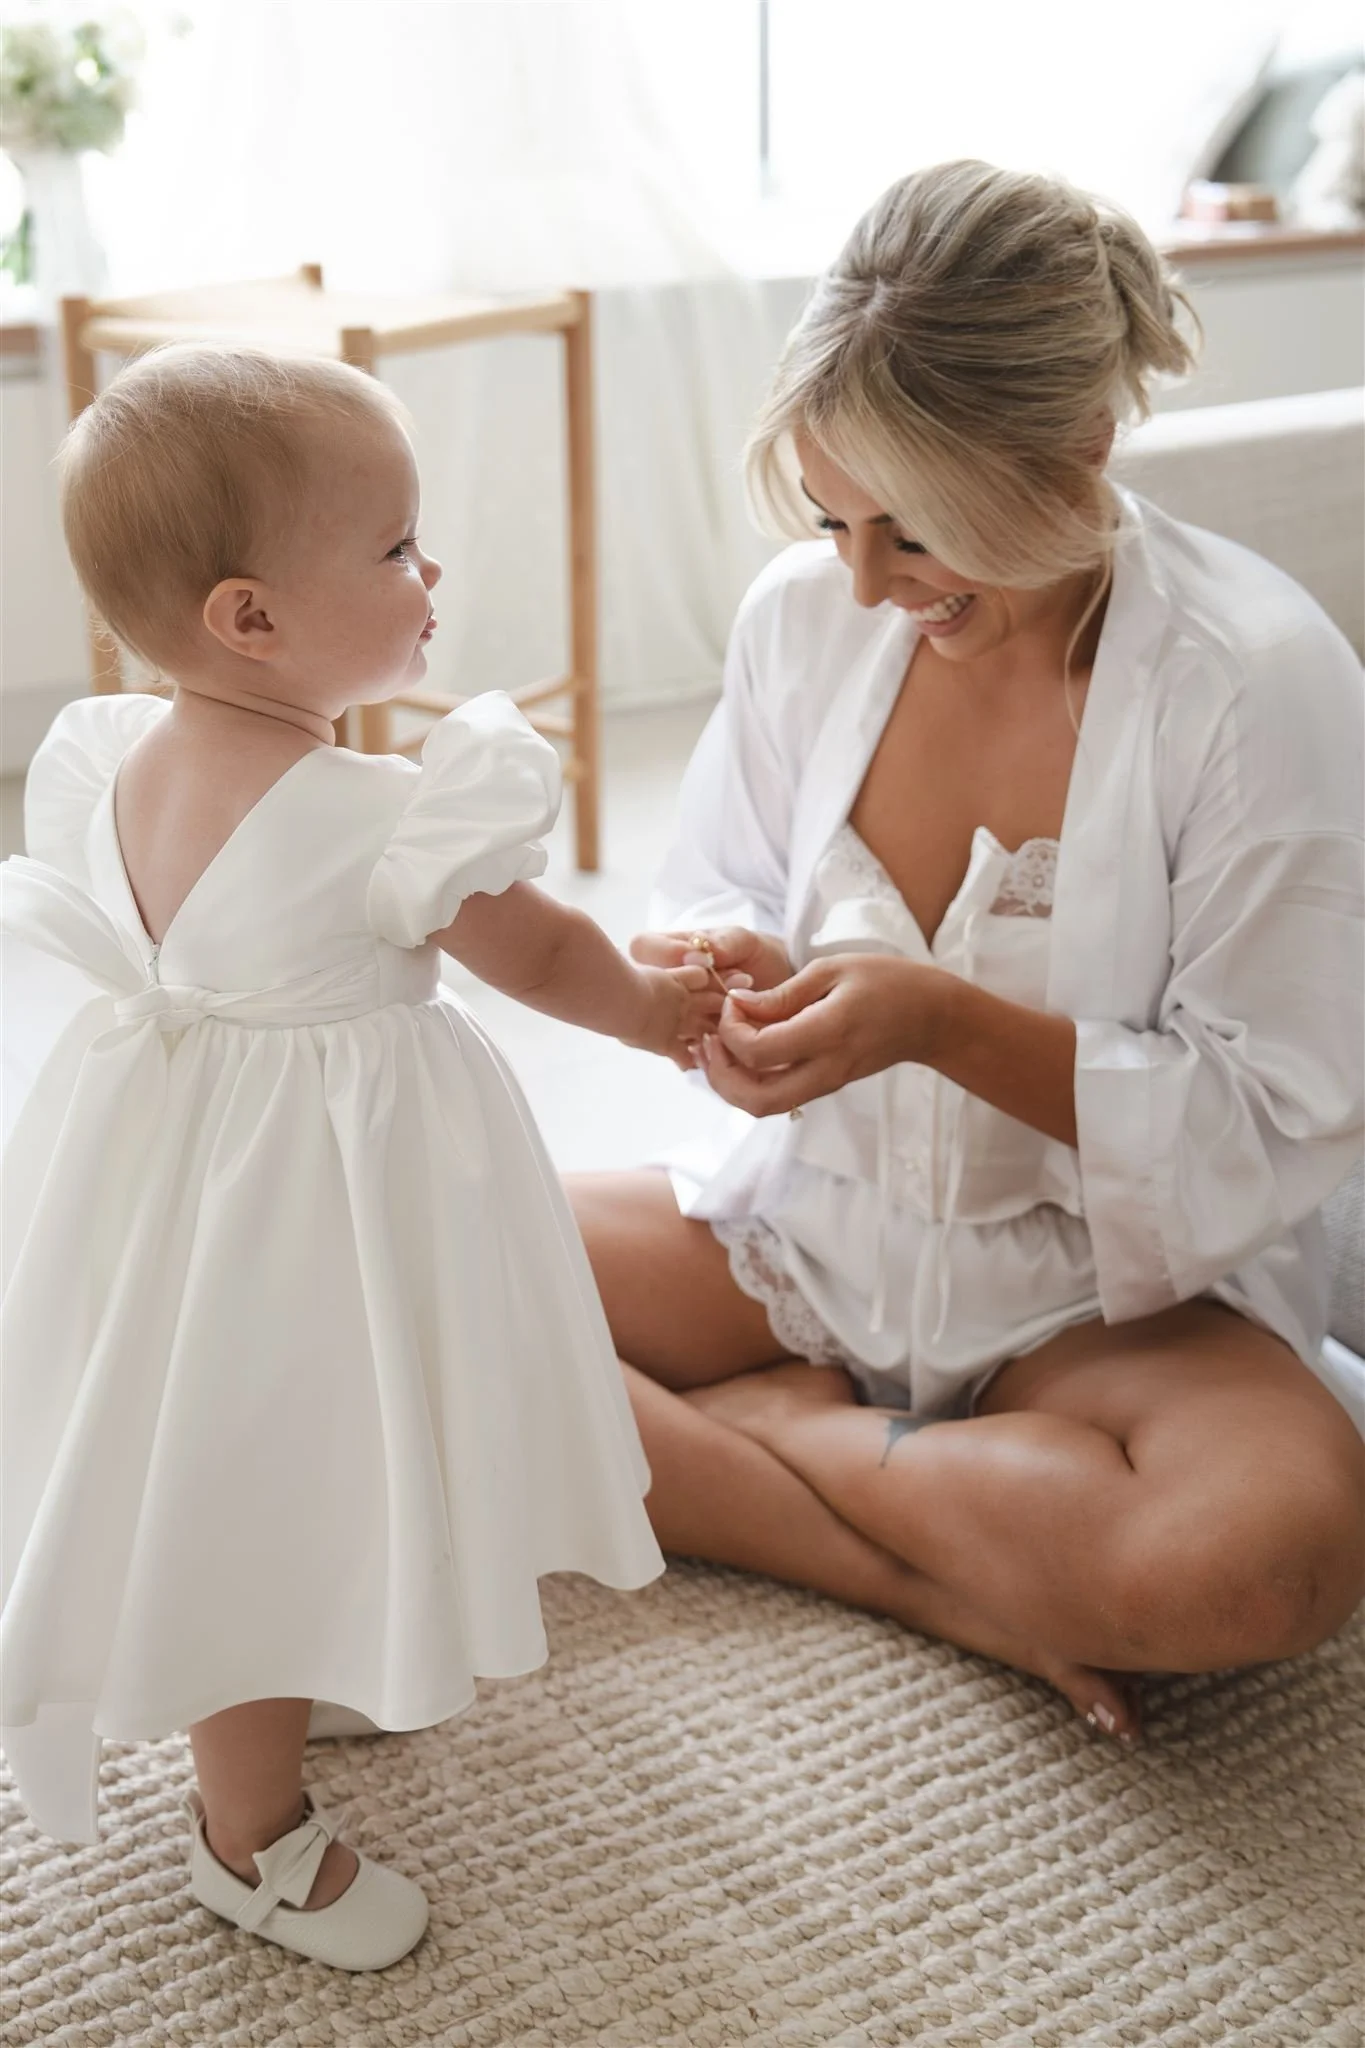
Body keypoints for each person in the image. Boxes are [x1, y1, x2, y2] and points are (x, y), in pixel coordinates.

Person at [571, 160, 1365, 1746]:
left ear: (1077, 452)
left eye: (916, 529)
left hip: (1108, 1308)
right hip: (807, 1235)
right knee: (391, 1256)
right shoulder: (809, 616)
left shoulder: (1253, 682)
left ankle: (743, 1456)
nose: (862, 578)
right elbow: (725, 876)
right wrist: (720, 964)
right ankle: (925, 1573)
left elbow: (1282, 1111)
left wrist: (939, 1021)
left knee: (1259, 1563)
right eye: (833, 516)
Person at [0, 345, 721, 1968]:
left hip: (183, 1185)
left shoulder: (122, 761)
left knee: (272, 1450)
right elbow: (537, 954)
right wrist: (661, 1013)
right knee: (277, 1469)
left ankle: (302, 1651)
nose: (432, 570)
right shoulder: (378, 812)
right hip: (311, 1206)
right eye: (395, 547)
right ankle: (239, 1835)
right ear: (250, 618)